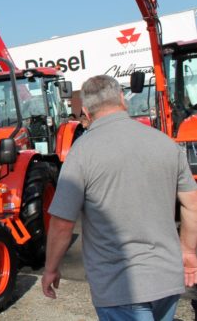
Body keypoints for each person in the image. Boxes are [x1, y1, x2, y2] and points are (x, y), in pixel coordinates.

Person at [41, 75, 197, 320]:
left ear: (86, 112)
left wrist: (51, 268)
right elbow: (192, 204)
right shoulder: (165, 143)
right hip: (167, 278)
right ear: (123, 100)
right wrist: (187, 253)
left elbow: (62, 223)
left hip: (120, 286)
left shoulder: (81, 153)